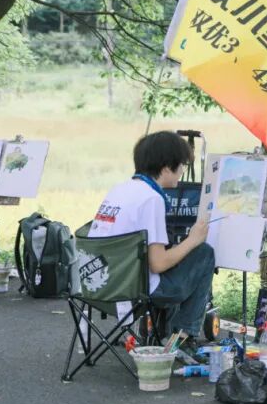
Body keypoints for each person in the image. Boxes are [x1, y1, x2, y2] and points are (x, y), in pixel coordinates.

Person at [87, 131, 213, 355]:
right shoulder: (151, 199)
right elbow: (158, 264)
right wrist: (192, 240)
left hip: (99, 285)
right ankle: (182, 337)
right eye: (181, 166)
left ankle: (165, 331)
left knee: (179, 254)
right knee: (203, 253)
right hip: (133, 290)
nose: (182, 172)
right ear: (166, 168)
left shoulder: (119, 189)